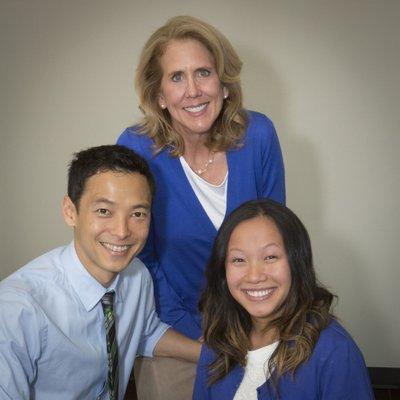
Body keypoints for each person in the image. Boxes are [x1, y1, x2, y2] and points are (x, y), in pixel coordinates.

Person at [117, 15, 285, 398]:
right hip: (174, 328)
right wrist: (197, 330)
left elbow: (275, 238)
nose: (192, 91)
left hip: (256, 316)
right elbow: (139, 256)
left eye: (203, 72)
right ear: (159, 95)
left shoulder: (259, 135)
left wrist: (258, 323)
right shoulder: (137, 148)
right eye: (176, 77)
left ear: (224, 84)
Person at [0, 145, 200, 400]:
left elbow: (145, 332)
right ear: (70, 212)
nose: (122, 231)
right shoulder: (16, 310)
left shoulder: (137, 275)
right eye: (104, 211)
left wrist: (212, 354)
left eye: (138, 214)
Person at [193, 199, 374, 399]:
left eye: (270, 257)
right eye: (238, 260)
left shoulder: (335, 352)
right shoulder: (218, 341)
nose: (254, 276)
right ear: (223, 271)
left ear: (297, 262)